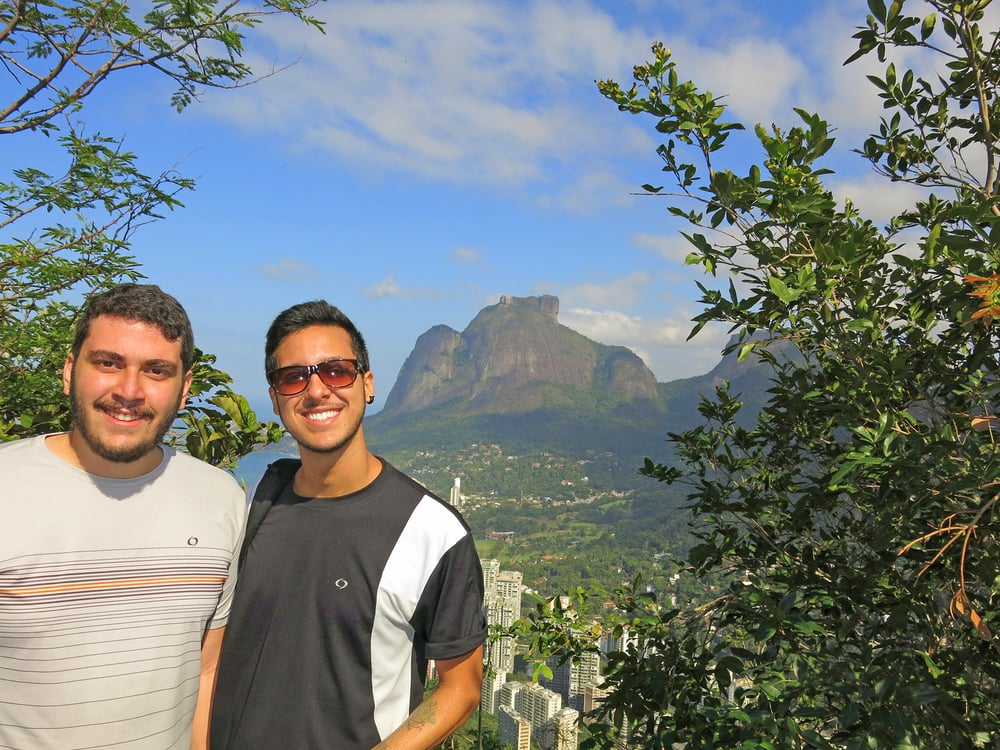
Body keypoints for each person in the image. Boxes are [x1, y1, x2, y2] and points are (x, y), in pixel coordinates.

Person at [210, 300, 487, 750]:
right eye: (293, 377)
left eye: (336, 371)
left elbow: (461, 688)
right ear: (276, 398)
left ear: (367, 384)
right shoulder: (258, 495)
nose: (317, 390)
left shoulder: (434, 532)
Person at [0, 284, 246, 750]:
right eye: (108, 363)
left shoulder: (220, 498)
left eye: (156, 370)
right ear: (70, 371)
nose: (129, 391)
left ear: (184, 388)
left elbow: (207, 668)